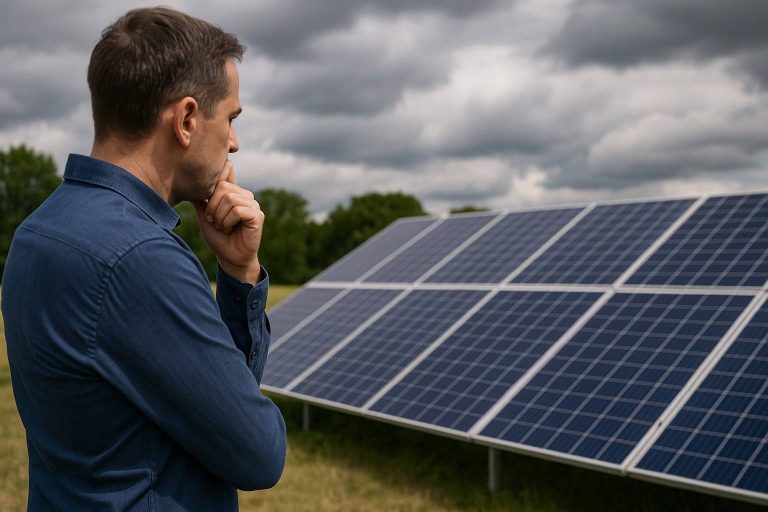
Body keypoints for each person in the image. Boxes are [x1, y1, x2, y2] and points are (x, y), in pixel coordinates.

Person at [0, 6, 286, 511]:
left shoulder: (37, 232)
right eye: (232, 119)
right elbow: (259, 453)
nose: (235, 142)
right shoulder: (141, 259)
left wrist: (239, 272)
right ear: (188, 119)